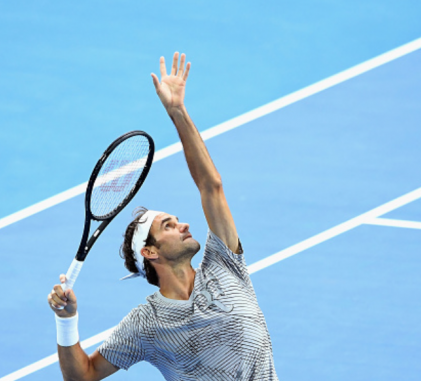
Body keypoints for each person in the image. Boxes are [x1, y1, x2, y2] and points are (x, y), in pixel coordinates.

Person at [47, 52, 278, 380]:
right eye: (168, 225)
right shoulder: (146, 325)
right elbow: (81, 376)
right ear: (150, 251)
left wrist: (178, 112)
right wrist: (66, 321)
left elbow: (211, 186)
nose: (184, 224)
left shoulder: (224, 264)